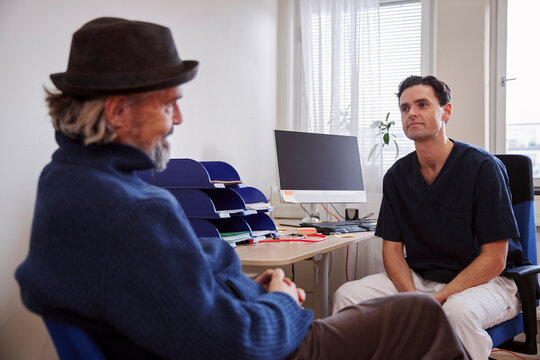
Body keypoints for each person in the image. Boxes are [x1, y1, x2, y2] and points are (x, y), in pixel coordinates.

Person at [15, 18, 470, 360]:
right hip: (260, 346)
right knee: (420, 314)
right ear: (117, 112)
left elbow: (178, 285)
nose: (178, 119)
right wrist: (279, 302)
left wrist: (258, 287)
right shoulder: (128, 208)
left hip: (227, 320)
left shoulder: (67, 180)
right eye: (169, 104)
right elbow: (233, 339)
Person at [333, 75, 530, 359]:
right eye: (404, 108)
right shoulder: (397, 176)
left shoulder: (483, 168)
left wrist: (439, 298)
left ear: (446, 111)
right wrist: (412, 296)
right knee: (348, 296)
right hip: (422, 278)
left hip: (488, 283)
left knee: (455, 313)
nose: (411, 112)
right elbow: (392, 250)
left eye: (422, 104)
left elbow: (495, 259)